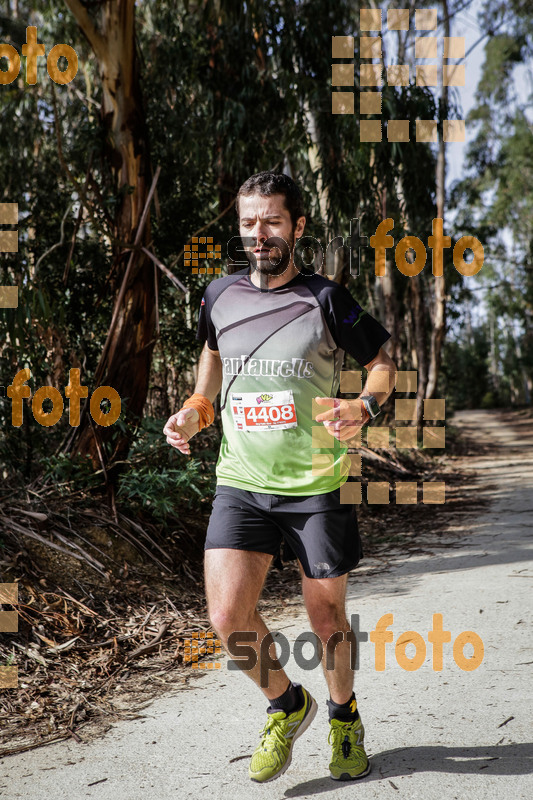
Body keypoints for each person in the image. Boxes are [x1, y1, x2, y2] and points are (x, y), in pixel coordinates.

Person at [163, 171, 396, 783]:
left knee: (326, 622)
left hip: (317, 487)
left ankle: (344, 717)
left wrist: (362, 407)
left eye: (271, 222)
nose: (259, 234)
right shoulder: (218, 297)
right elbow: (208, 382)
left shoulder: (324, 299)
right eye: (248, 223)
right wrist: (191, 415)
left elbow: (382, 365)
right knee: (226, 618)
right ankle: (288, 705)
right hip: (240, 480)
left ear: (296, 226)